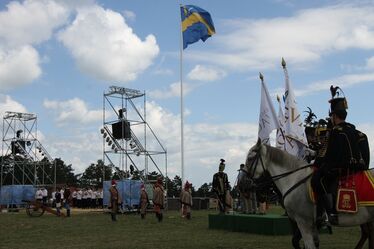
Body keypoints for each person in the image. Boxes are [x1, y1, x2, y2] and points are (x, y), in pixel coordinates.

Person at [311, 86, 367, 224]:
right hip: (357, 167)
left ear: (334, 116)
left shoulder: (336, 131)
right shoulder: (354, 130)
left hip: (341, 169)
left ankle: (330, 213)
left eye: (332, 116)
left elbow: (330, 156)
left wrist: (318, 164)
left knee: (317, 179)